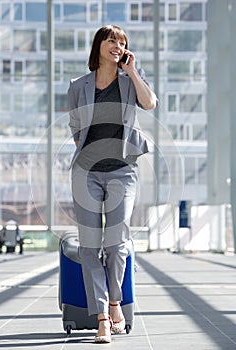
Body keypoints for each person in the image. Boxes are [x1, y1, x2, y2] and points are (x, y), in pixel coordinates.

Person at [68, 25, 158, 343]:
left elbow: (150, 104)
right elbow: (76, 131)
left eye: (122, 42)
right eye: (111, 40)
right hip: (86, 173)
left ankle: (116, 301)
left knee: (116, 243)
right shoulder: (78, 86)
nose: (117, 45)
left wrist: (132, 71)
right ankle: (103, 317)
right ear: (99, 45)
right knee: (90, 245)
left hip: (123, 171)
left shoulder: (129, 81)